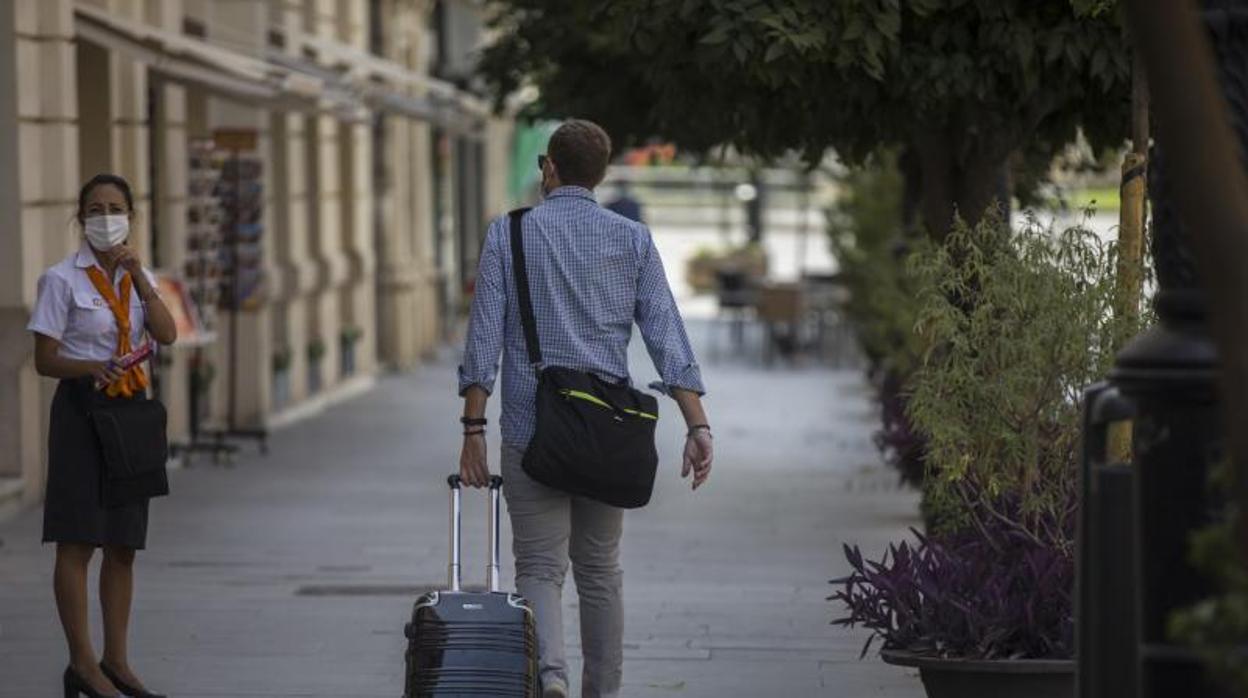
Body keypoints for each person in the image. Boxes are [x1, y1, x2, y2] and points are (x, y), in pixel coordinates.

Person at [457, 120, 714, 698]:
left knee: (538, 568)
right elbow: (666, 335)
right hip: (606, 433)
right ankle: (603, 690)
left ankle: (551, 677)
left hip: (532, 429)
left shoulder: (509, 234)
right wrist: (697, 425)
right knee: (600, 571)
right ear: (599, 175)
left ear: (549, 167)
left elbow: (483, 340)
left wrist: (473, 429)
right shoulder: (633, 239)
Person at [28, 173, 177, 698]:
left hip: (131, 414)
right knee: (77, 540)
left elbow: (166, 333)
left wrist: (139, 278)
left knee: (122, 543)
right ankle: (82, 664)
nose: (105, 218)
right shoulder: (60, 280)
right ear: (80, 217)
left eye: (115, 209)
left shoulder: (140, 277)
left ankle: (117, 661)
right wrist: (90, 366)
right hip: (82, 411)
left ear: (131, 217)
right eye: (95, 209)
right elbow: (45, 359)